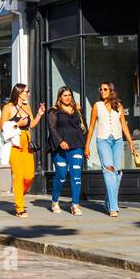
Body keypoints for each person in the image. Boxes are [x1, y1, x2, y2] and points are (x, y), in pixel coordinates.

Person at [84, 82, 137, 218]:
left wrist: (131, 143)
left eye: (105, 89)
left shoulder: (118, 105)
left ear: (111, 91)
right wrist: (87, 146)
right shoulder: (97, 106)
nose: (102, 91)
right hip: (103, 140)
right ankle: (113, 207)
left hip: (118, 141)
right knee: (109, 170)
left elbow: (124, 125)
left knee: (117, 172)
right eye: (100, 89)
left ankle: (108, 201)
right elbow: (91, 127)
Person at [0, 83, 45, 218]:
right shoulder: (8, 107)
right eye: (26, 91)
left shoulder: (26, 106)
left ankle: (19, 195)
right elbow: (2, 126)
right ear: (19, 93)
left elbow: (31, 125)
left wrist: (39, 115)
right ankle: (19, 207)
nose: (28, 93)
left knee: (29, 176)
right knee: (19, 176)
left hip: (27, 145)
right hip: (15, 146)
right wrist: (17, 124)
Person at [47, 87, 86, 215]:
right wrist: (60, 141)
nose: (68, 97)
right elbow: (52, 129)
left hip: (77, 146)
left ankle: (75, 205)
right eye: (65, 95)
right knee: (62, 175)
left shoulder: (77, 110)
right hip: (60, 148)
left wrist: (86, 146)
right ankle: (55, 200)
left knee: (76, 176)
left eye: (69, 95)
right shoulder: (54, 111)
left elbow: (83, 127)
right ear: (60, 97)